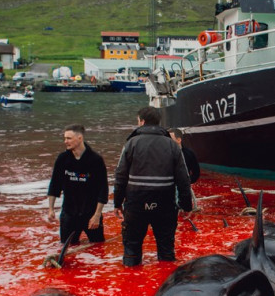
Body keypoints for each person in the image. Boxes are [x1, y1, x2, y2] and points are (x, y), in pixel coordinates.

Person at [114, 106, 192, 267]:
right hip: (165, 204)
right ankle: (167, 285)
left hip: (135, 204)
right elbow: (183, 178)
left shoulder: (131, 144)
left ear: (141, 121)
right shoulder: (172, 146)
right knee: (166, 252)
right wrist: (186, 206)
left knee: (131, 250)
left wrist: (117, 203)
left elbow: (120, 176)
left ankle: (131, 285)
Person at [47, 125, 109, 244]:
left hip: (90, 213)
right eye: (65, 138)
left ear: (80, 138)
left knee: (98, 248)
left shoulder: (95, 159)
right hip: (69, 212)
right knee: (67, 248)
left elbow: (103, 189)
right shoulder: (63, 159)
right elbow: (54, 184)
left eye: (69, 138)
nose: (66, 141)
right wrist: (51, 209)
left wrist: (97, 215)